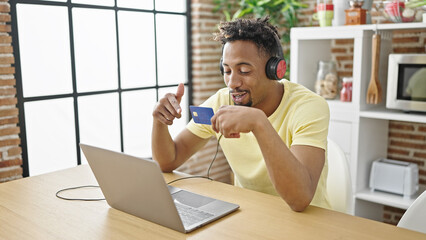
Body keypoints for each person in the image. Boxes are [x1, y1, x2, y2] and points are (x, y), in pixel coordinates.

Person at [152, 17, 330, 212]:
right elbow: (169, 160)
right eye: (227, 70)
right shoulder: (222, 101)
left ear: (275, 70)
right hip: (249, 214)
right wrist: (160, 121)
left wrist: (258, 123)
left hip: (307, 221)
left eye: (244, 71)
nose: (232, 82)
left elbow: (299, 199)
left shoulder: (309, 106)